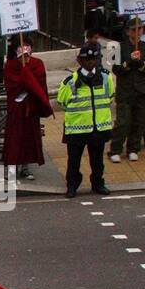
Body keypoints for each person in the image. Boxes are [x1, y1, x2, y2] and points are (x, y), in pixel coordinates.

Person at [57, 42, 116, 198]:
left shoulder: (105, 77)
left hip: (99, 127)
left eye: (93, 59)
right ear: (80, 61)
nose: (90, 62)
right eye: (87, 60)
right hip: (77, 129)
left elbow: (109, 96)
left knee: (97, 161)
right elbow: (61, 101)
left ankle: (98, 184)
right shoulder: (70, 82)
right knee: (74, 161)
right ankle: (72, 186)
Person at [2, 38, 53, 180]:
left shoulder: (37, 64)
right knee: (14, 138)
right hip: (16, 107)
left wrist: (28, 75)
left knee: (28, 138)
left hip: (31, 107)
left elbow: (39, 83)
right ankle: (12, 168)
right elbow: (10, 85)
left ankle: (26, 167)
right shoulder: (10, 66)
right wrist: (24, 78)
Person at [109, 17, 145, 163]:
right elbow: (115, 69)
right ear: (128, 31)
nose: (138, 32)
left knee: (139, 121)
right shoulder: (117, 47)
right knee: (123, 122)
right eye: (134, 29)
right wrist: (128, 62)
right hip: (126, 91)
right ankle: (115, 149)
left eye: (140, 29)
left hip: (142, 90)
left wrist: (141, 63)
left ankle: (133, 148)